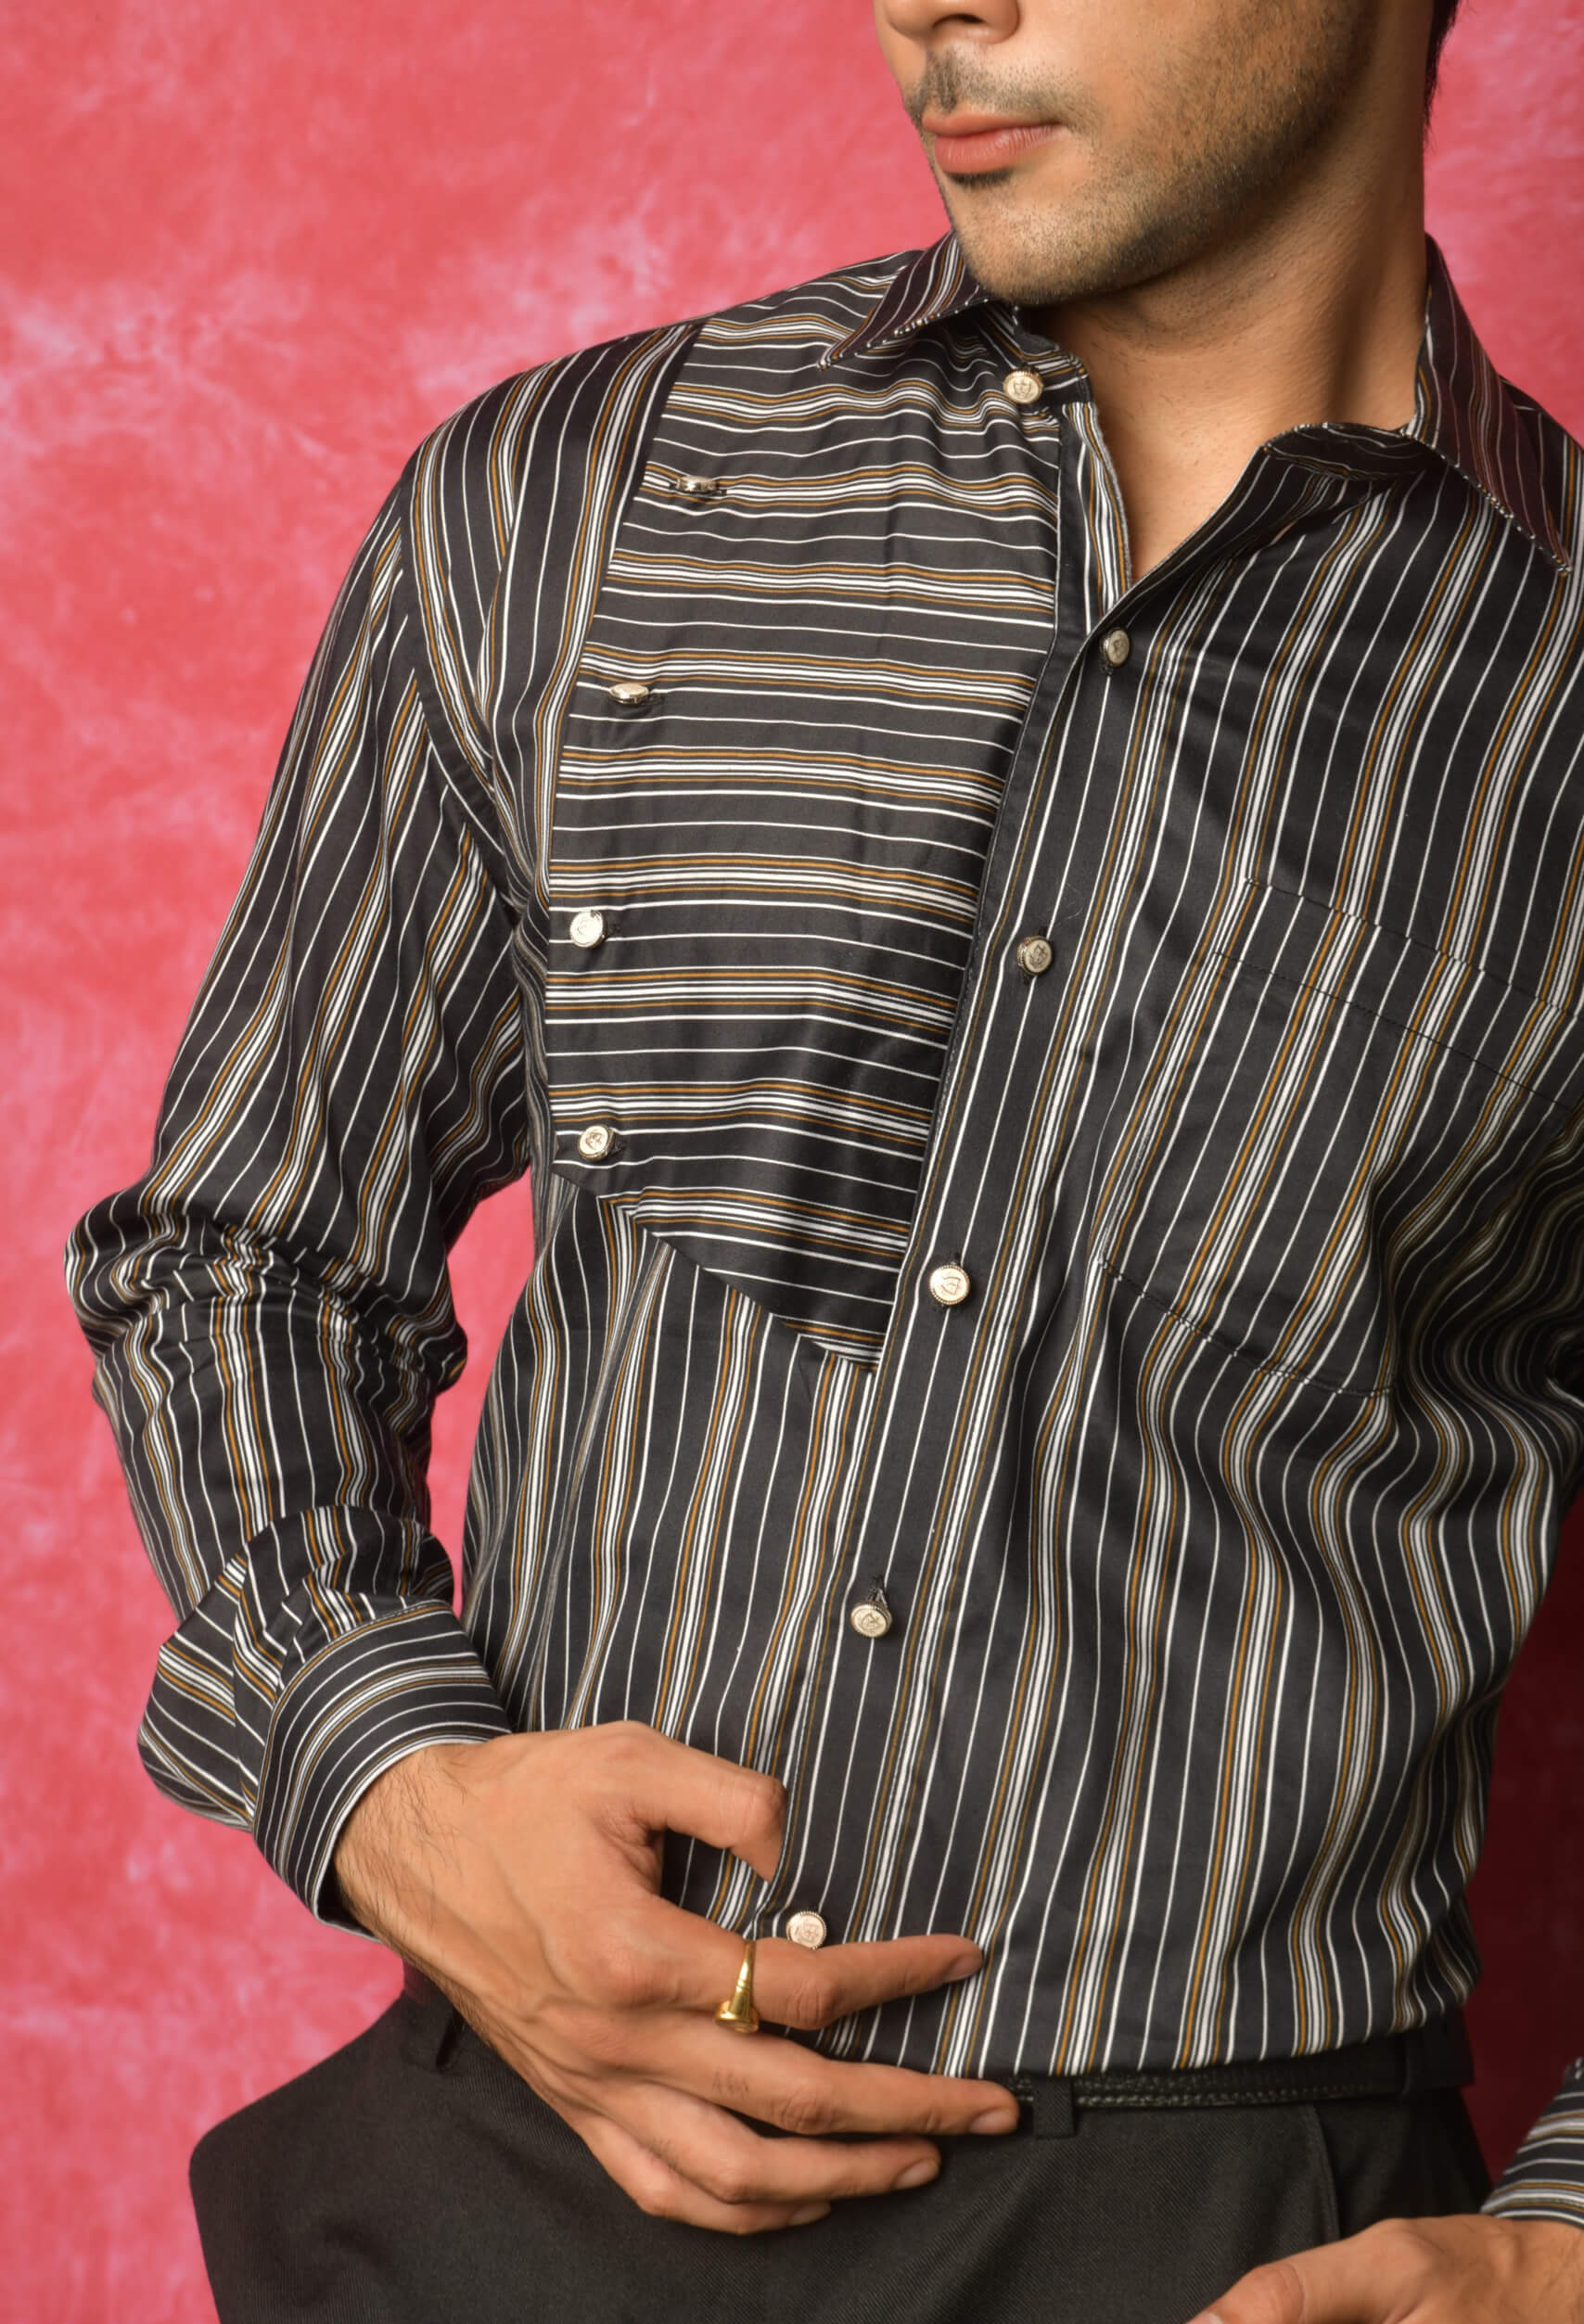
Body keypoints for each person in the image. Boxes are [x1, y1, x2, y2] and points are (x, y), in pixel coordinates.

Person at [67, 0, 1584, 2316]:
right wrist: (386, 1784)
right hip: (489, 2186)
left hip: (1215, 2232)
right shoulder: (573, 501)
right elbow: (241, 1244)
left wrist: (1555, 2248)